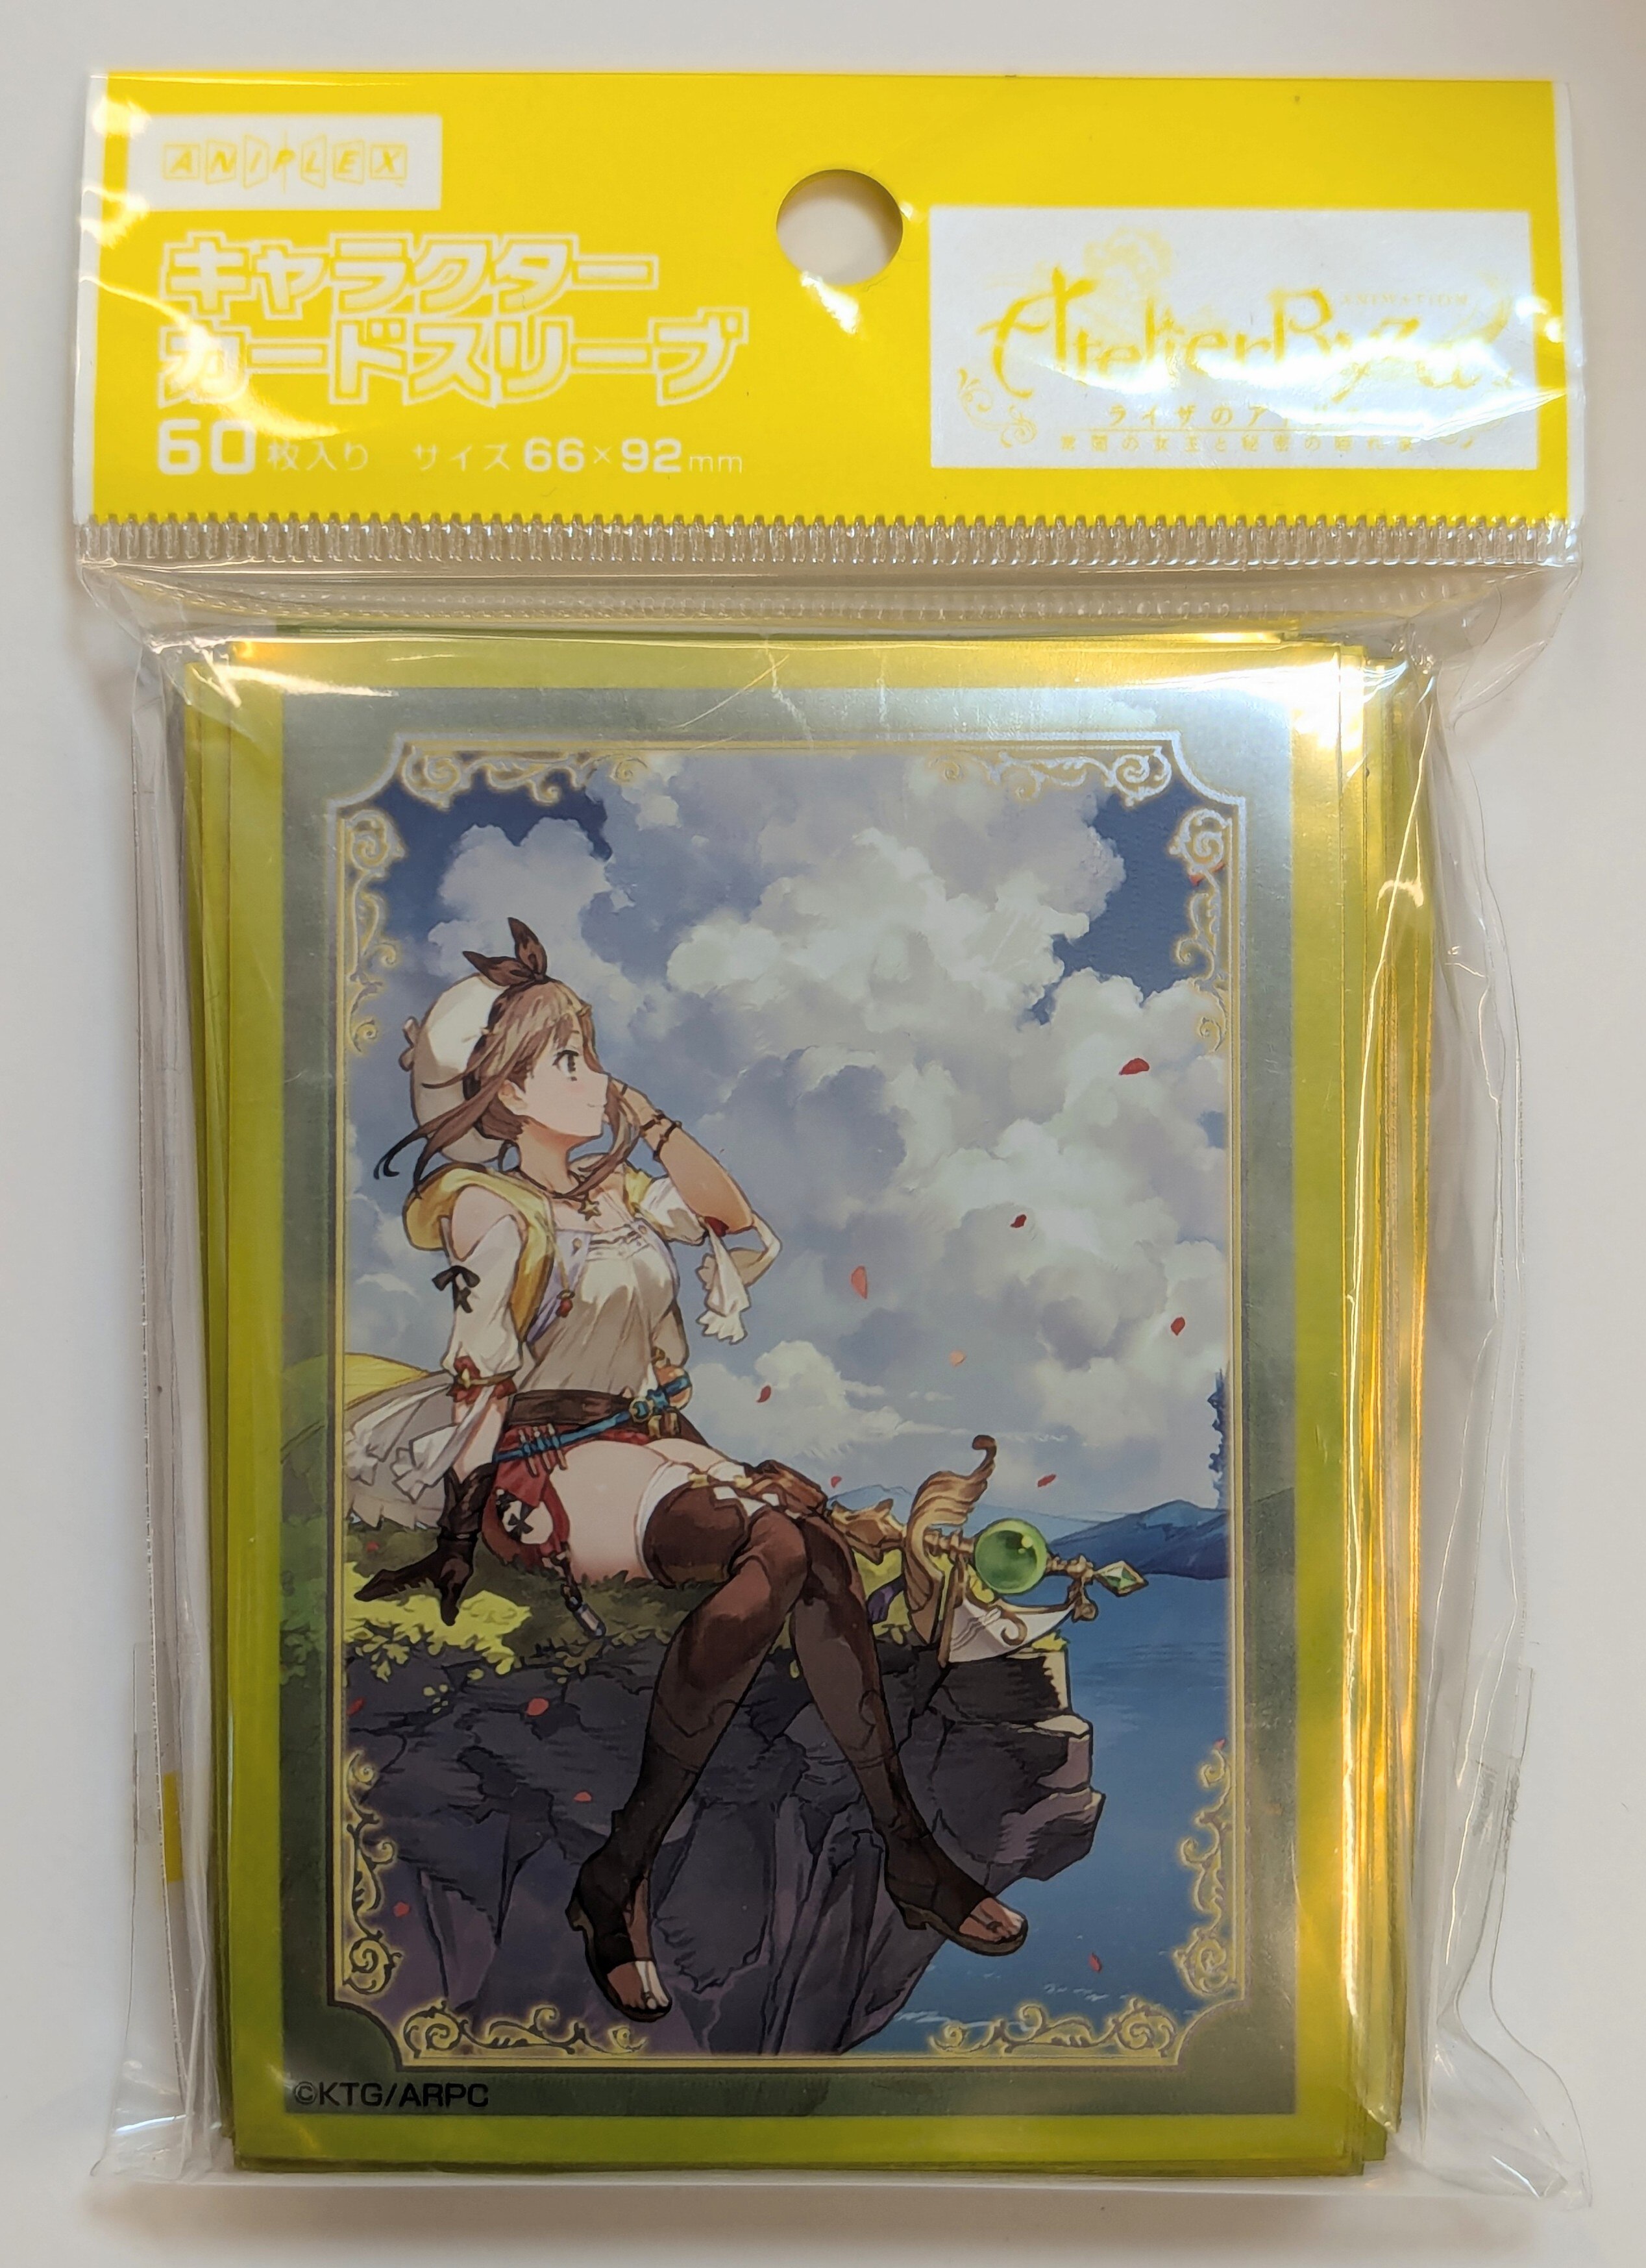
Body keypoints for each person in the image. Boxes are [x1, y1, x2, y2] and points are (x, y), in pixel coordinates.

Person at [347, 918, 1027, 2022]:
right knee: (778, 1542)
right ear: (509, 1093)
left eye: (590, 1051)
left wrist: (653, 1119)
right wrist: (460, 1533)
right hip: (546, 1461)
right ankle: (642, 1872)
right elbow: (481, 1378)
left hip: (653, 1442)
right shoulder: (489, 1208)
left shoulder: (619, 1192)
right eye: (567, 1059)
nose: (596, 1076)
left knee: (811, 1551)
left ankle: (867, 1853)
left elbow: (730, 1219)